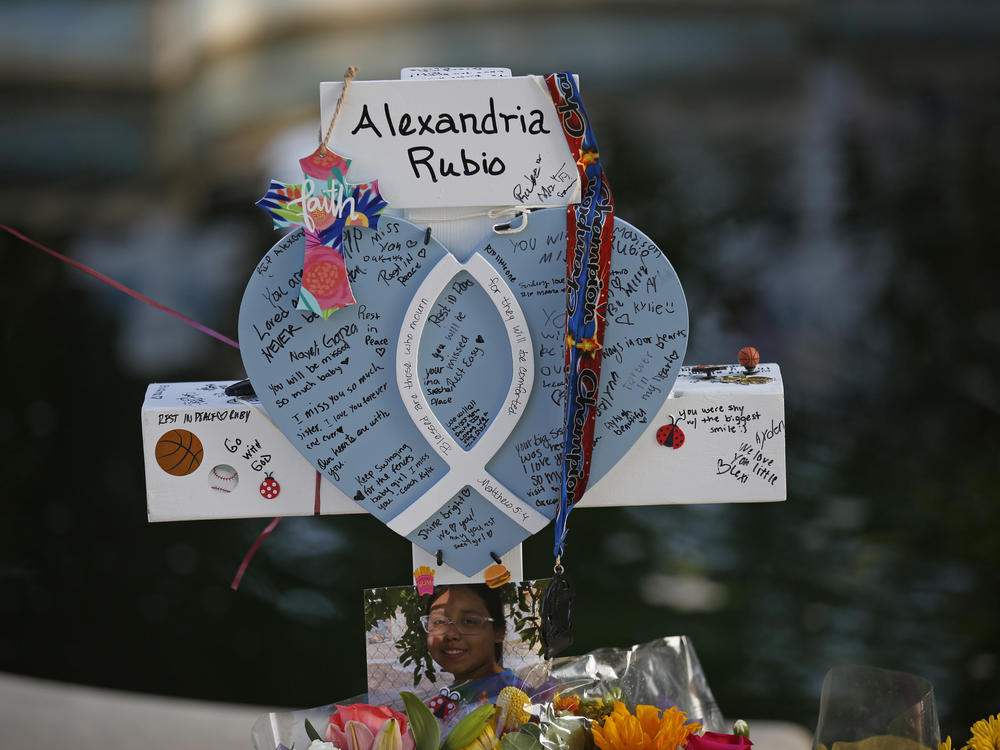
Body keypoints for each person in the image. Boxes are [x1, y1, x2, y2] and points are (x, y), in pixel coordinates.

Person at [421, 584, 523, 705]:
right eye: (439, 621)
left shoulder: (520, 702)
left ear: (498, 631)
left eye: (469, 621)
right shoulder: (447, 701)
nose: (451, 634)